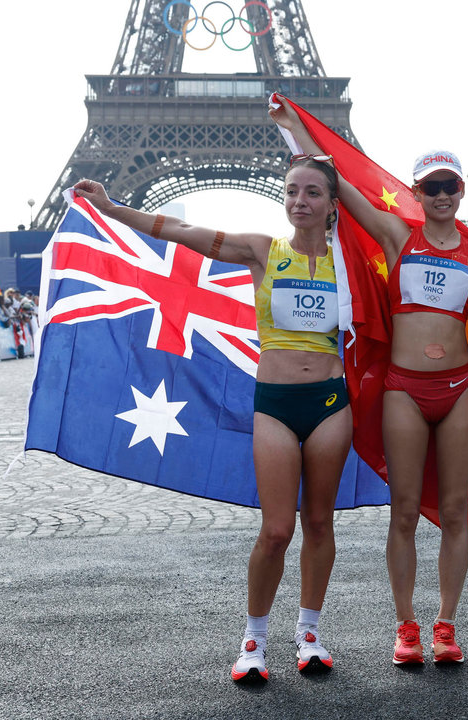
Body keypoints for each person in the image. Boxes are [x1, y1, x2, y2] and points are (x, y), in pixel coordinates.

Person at [73, 156, 352, 683]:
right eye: (292, 191)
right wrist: (111, 208)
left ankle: (310, 633)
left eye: (313, 192)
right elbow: (180, 230)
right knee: (275, 530)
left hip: (329, 403)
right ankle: (254, 639)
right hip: (275, 402)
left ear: (333, 205)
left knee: (319, 523)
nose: (299, 201)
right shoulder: (264, 251)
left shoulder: (349, 265)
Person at [272, 98, 468, 666]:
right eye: (431, 187)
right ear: (415, 191)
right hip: (404, 388)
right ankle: (406, 626)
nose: (440, 196)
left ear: (461, 193)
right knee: (404, 509)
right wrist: (296, 130)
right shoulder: (394, 234)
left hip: (460, 388)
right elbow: (339, 185)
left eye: (449, 187)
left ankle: (447, 625)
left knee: (454, 510)